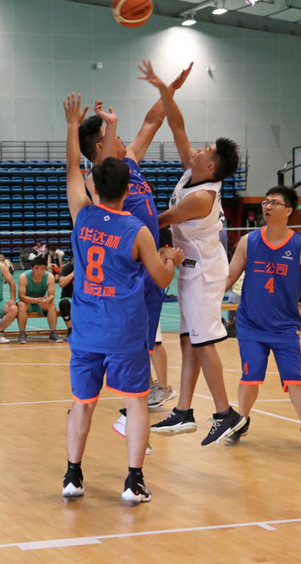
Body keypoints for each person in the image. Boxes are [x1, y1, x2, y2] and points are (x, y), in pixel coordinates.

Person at [61, 92, 183, 502]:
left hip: (87, 329)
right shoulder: (137, 231)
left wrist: (71, 125)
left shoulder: (82, 215)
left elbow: (72, 169)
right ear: (130, 187)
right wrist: (172, 259)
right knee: (135, 402)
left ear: (94, 185)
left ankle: (73, 476)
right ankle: (133, 481)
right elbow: (161, 277)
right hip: (126, 329)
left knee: (82, 403)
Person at [79, 60, 192, 418]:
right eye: (113, 136)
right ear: (101, 146)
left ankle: (135, 403)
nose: (123, 139)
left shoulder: (129, 162)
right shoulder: (97, 180)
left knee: (143, 342)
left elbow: (152, 122)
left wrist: (169, 89)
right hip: (129, 269)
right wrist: (109, 125)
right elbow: (102, 168)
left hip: (149, 262)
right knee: (132, 341)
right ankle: (128, 406)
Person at [145, 66, 247, 446]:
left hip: (204, 273)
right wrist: (167, 90)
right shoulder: (194, 171)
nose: (199, 149)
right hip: (190, 268)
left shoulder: (202, 197)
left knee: (203, 343)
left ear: (211, 166)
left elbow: (159, 220)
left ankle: (225, 414)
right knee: (188, 340)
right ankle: (184, 411)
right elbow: (177, 126)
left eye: (207, 151)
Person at [224, 186, 301, 451]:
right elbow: (229, 277)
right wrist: (209, 299)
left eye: (274, 203)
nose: (268, 207)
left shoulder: (300, 247)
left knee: (295, 377)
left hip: (285, 327)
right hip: (251, 324)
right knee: (250, 376)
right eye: (265, 202)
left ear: (289, 211)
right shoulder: (249, 242)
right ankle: (241, 421)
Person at [16, 256, 64, 344]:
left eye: (42, 269)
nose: (39, 271)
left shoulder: (49, 277)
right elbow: (21, 297)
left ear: (46, 268)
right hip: (27, 302)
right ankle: (22, 333)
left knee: (52, 304)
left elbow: (51, 295)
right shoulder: (24, 277)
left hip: (40, 302)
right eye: (37, 268)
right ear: (32, 268)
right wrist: (36, 300)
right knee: (21, 305)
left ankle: (53, 332)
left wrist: (47, 300)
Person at [57, 259, 75, 338]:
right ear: (73, 259)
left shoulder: (88, 267)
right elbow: (61, 283)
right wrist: (74, 273)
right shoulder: (67, 268)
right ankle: (70, 329)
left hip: (83, 297)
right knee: (63, 303)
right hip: (69, 296)